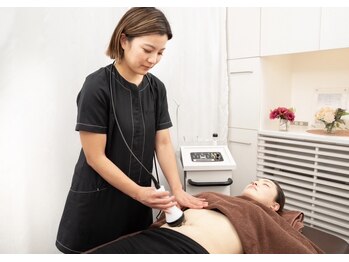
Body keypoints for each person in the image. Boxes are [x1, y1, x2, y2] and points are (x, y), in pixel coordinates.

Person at [55, 7, 207, 254]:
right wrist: (138, 193)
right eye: (148, 50)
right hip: (99, 199)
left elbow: (163, 144)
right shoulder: (97, 86)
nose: (153, 59)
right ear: (124, 40)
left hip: (139, 199)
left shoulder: (156, 88)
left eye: (160, 52)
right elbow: (95, 157)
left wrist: (177, 190)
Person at [85, 178, 322, 254]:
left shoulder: (266, 218)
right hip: (154, 239)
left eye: (265, 184)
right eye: (256, 179)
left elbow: (298, 247)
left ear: (274, 207)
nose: (256, 181)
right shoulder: (215, 196)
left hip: (191, 251)